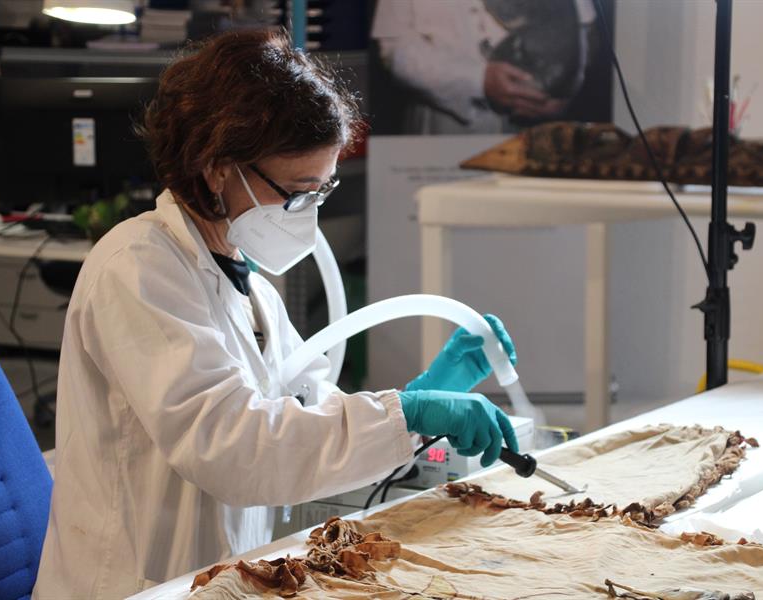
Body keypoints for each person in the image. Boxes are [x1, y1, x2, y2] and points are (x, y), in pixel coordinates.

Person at [33, 28, 518, 599]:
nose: (306, 213)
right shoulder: (136, 268)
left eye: (320, 191)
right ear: (217, 167)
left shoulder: (246, 284)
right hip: (130, 587)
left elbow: (303, 417)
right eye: (296, 192)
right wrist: (408, 413)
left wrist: (423, 403)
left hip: (214, 579)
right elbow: (233, 446)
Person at [371, 0, 596, 134]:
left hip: (535, 127)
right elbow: (393, 49)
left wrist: (567, 90)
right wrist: (479, 80)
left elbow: (585, 31)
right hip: (445, 133)